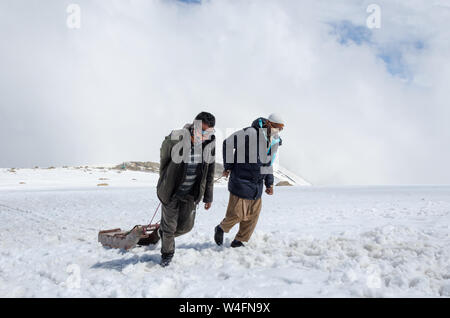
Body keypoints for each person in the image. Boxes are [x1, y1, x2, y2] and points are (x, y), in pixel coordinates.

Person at [214, 113, 284, 247]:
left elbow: (268, 164)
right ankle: (221, 228)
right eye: (277, 127)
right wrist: (228, 166)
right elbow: (228, 143)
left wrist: (269, 183)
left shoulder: (273, 141)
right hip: (241, 180)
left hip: (257, 185)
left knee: (252, 217)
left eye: (281, 128)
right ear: (269, 123)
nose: (278, 131)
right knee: (236, 214)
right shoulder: (250, 133)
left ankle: (238, 241)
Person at [157, 112, 216, 267]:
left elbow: (209, 173)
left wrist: (208, 197)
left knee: (186, 227)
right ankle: (167, 254)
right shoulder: (177, 138)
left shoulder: (209, 145)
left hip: (191, 194)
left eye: (208, 131)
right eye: (202, 130)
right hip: (172, 192)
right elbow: (164, 160)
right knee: (170, 227)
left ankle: (163, 234)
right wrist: (164, 181)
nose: (204, 134)